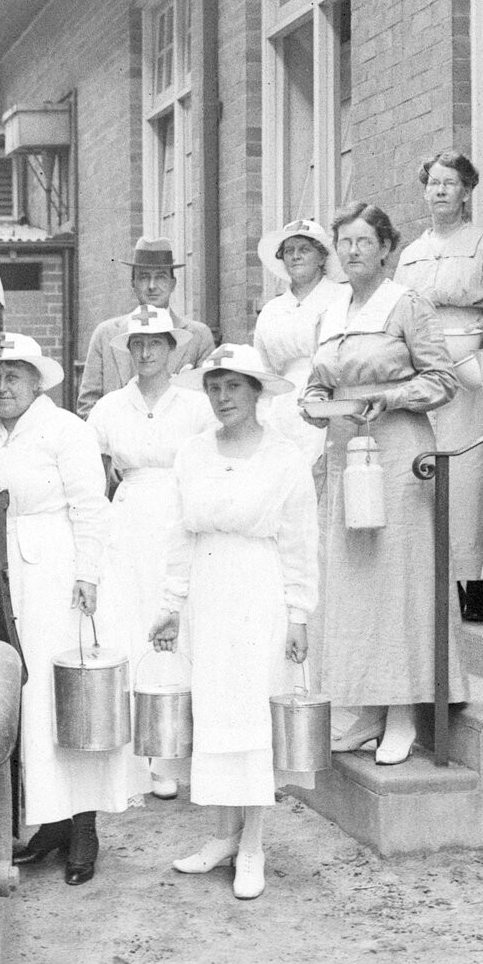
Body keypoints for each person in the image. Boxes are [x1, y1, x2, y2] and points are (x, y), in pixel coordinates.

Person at [0, 332, 133, 885]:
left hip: (55, 572)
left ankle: (83, 828)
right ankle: (49, 824)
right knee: (20, 697)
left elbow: (90, 508)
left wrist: (87, 576)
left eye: (13, 376)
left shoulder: (66, 430)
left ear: (37, 382)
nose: (1, 386)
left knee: (62, 695)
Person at [147, 344, 317, 901]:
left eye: (235, 387)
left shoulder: (285, 457)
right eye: (215, 387)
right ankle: (222, 835)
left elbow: (299, 541)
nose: (223, 399)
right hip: (207, 592)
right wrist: (171, 603)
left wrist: (298, 614)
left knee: (252, 714)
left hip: (258, 591)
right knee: (214, 712)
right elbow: (177, 531)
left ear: (257, 392)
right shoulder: (193, 452)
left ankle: (254, 846)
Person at [301, 203, 456, 765]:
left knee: (397, 582)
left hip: (398, 455)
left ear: (387, 247)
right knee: (355, 584)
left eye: (365, 241)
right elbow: (319, 378)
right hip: (346, 453)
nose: (353, 251)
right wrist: (313, 403)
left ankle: (402, 714)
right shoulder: (332, 308)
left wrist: (387, 397)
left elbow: (443, 380)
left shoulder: (406, 303)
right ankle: (366, 709)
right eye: (344, 242)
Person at [86, 304, 217, 801]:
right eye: (137, 344)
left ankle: (178, 752)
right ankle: (144, 758)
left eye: (155, 344)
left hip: (179, 518)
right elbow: (93, 471)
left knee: (176, 622)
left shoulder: (194, 407)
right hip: (128, 518)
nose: (145, 352)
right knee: (132, 623)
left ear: (171, 349)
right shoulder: (110, 407)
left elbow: (209, 463)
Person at [393, 152, 483, 622]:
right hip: (429, 376)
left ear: (467, 191)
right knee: (432, 477)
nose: (440, 191)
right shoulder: (410, 254)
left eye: (450, 183)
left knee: (474, 479)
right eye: (433, 183)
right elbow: (399, 316)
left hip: (474, 375)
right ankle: (439, 585)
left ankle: (478, 586)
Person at [75, 235, 216, 415]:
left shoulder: (197, 336)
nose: (152, 286)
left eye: (160, 277)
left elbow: (208, 403)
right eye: (143, 277)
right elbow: (87, 405)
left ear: (173, 283)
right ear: (133, 283)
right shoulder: (106, 334)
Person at [252, 216, 346, 465]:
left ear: (322, 256)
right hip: (283, 406)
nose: (296, 256)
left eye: (304, 249)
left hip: (330, 400)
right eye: (289, 251)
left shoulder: (342, 298)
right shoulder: (271, 310)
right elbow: (265, 370)